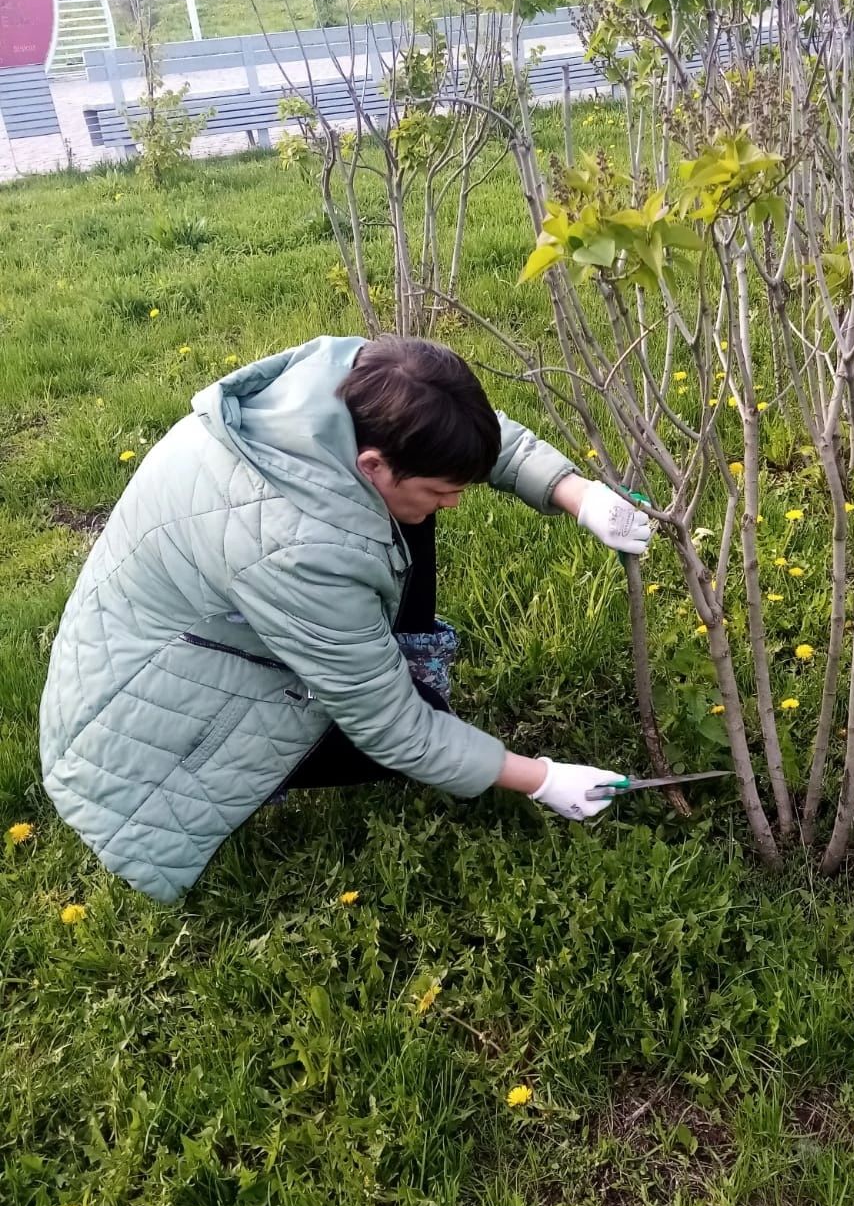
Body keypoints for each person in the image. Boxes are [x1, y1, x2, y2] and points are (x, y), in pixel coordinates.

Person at [39, 334, 653, 904]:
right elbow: (394, 728)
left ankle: (399, 657)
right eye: (443, 490)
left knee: (410, 522)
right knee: (415, 729)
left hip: (171, 640)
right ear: (372, 466)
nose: (456, 500)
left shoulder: (351, 388)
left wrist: (578, 494)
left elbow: (467, 438)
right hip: (150, 734)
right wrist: (542, 779)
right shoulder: (299, 549)